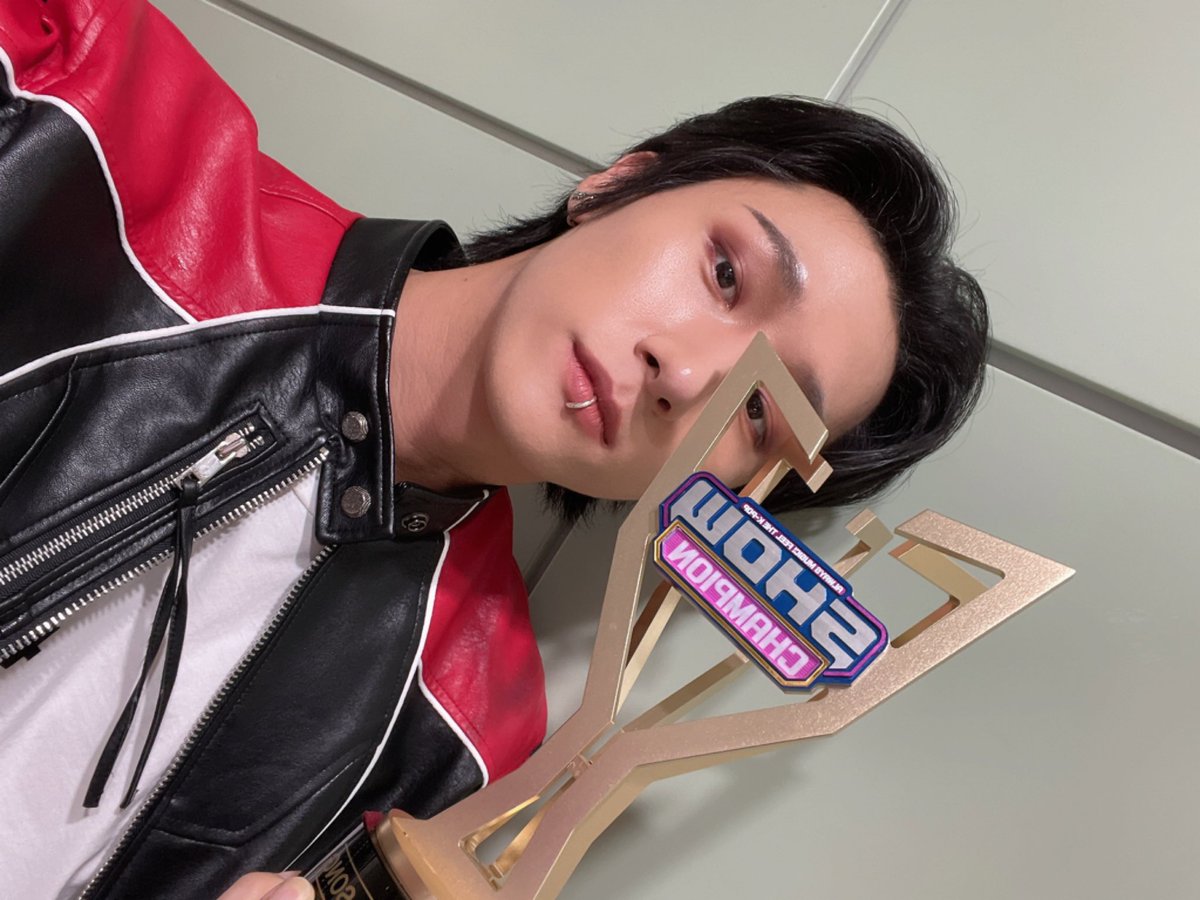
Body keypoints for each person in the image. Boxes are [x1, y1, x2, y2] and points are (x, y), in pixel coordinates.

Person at [0, 1, 987, 898]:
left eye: (760, 413)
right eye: (725, 273)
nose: (685, 374)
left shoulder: (469, 743)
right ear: (620, 183)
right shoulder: (73, 95)